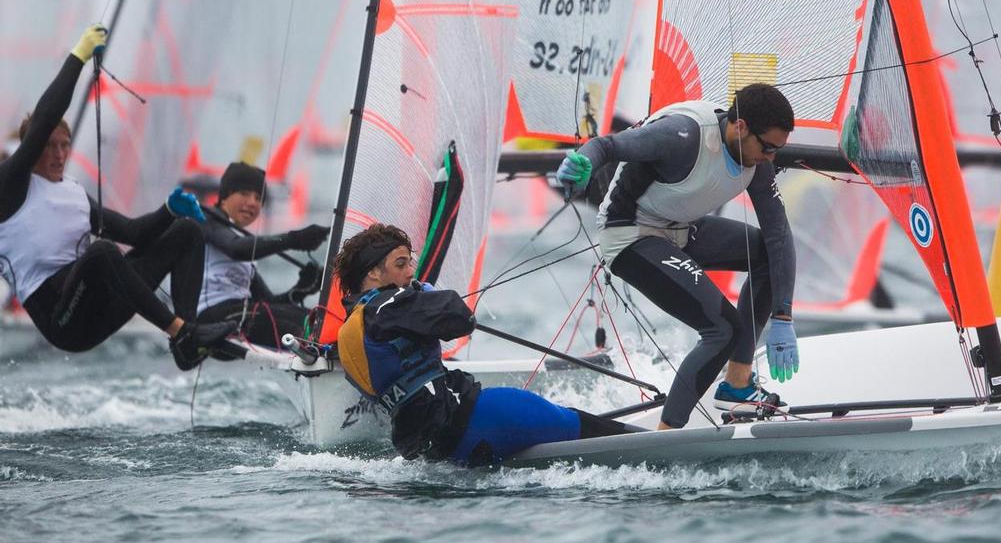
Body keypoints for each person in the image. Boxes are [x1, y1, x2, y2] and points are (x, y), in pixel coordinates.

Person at [556, 83, 799, 430]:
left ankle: (738, 387)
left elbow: (779, 236)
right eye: (769, 147)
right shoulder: (682, 137)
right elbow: (608, 145)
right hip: (631, 234)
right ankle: (666, 434)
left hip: (680, 229)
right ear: (741, 127)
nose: (772, 159)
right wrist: (582, 163)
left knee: (766, 256)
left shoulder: (755, 160)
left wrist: (783, 317)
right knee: (722, 328)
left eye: (778, 150)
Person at [0, 26, 235, 370]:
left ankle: (188, 342)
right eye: (50, 145)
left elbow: (136, 234)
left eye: (65, 145)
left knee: (187, 232)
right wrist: (78, 56)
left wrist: (169, 210)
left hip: (103, 305)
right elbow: (46, 117)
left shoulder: (74, 194)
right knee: (102, 252)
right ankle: (182, 332)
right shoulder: (10, 188)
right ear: (31, 150)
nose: (59, 153)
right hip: (65, 325)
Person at [334, 224, 633, 466]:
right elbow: (460, 318)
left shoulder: (350, 330)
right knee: (576, 424)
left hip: (430, 449)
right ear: (373, 272)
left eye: (410, 261)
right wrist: (422, 294)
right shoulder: (391, 305)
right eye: (401, 263)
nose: (411, 271)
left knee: (559, 429)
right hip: (472, 418)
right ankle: (661, 443)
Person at [196, 161, 329, 348]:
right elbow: (237, 249)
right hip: (211, 318)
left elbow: (269, 304)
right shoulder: (207, 220)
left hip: (238, 314)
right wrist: (293, 239)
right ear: (224, 196)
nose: (252, 202)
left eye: (259, 198)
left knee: (317, 320)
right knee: (307, 327)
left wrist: (302, 289)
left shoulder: (242, 240)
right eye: (244, 193)